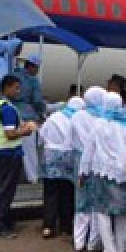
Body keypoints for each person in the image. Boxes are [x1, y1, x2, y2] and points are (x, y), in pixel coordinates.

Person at [79, 92, 126, 252]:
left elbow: (89, 150)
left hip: (101, 173)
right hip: (123, 174)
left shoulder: (98, 124)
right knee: (121, 214)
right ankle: (121, 251)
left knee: (102, 213)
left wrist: (83, 172)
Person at [0, 75, 36, 238]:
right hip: (9, 152)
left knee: (5, 187)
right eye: (16, 88)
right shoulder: (7, 108)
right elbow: (10, 134)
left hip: (0, 151)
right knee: (7, 189)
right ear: (7, 88)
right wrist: (26, 130)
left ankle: (5, 219)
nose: (18, 91)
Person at [39, 96, 81, 238]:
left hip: (50, 155)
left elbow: (42, 135)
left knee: (51, 192)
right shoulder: (77, 118)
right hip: (69, 156)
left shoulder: (54, 116)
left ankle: (48, 226)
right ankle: (66, 226)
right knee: (67, 192)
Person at [70, 88, 105, 251]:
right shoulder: (102, 117)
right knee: (97, 201)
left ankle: (78, 240)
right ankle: (93, 242)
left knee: (81, 200)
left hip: (79, 159)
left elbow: (72, 139)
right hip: (97, 161)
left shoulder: (76, 116)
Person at [17, 56, 47, 183]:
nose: (37, 71)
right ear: (32, 66)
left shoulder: (14, 74)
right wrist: (42, 112)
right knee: (30, 150)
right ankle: (33, 177)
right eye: (37, 68)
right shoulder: (33, 81)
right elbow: (37, 101)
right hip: (28, 117)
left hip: (13, 115)